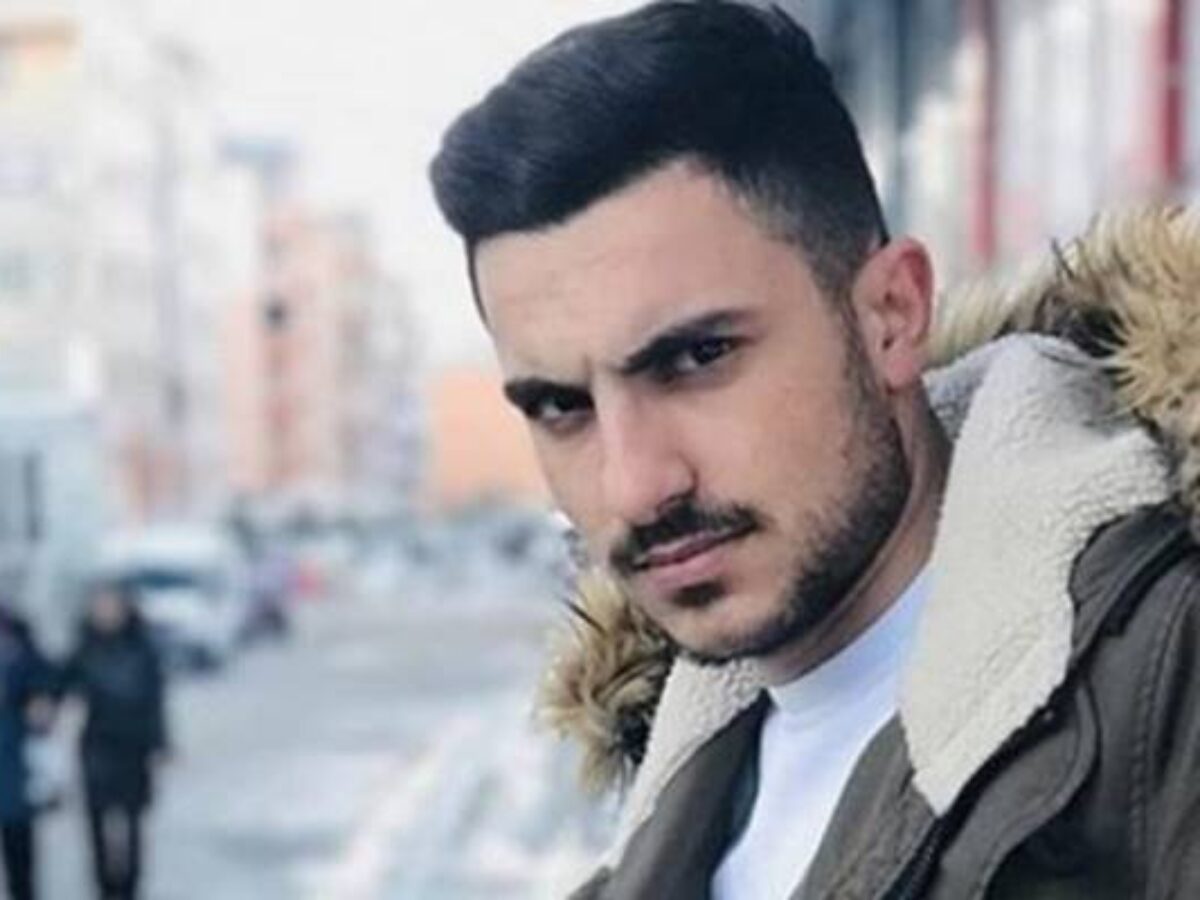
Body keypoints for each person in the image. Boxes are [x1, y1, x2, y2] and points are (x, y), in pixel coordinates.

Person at [429, 2, 1200, 897]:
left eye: (697, 358)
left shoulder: (1168, 698)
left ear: (891, 317)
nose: (635, 484)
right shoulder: (673, 792)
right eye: (563, 406)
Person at [61, 585, 169, 900]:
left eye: (111, 606)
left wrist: (160, 743)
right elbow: (60, 683)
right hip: (97, 744)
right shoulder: (84, 648)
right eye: (100, 606)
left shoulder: (142, 649)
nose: (106, 612)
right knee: (96, 820)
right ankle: (104, 886)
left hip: (133, 747)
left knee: (132, 821)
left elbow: (155, 701)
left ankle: (130, 886)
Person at [0, 606, 54, 900]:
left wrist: (40, 700)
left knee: (18, 846)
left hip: (13, 755)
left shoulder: (18, 638)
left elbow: (45, 679)